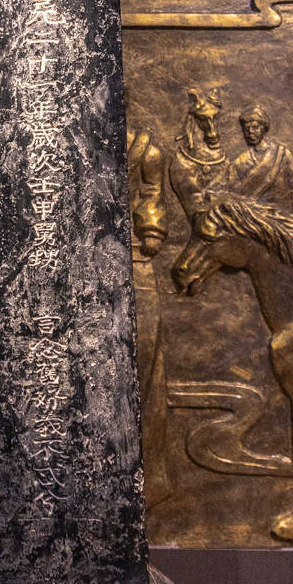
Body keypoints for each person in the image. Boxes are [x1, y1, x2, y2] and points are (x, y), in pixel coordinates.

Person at [127, 121, 171, 509]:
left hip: (134, 257)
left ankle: (149, 474)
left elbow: (152, 193)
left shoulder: (147, 152)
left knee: (146, 356)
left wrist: (151, 230)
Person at [227, 102, 293, 221]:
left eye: (255, 127)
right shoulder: (240, 162)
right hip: (252, 220)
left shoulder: (282, 155)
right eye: (246, 129)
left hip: (283, 219)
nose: (250, 132)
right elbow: (233, 196)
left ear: (264, 128)